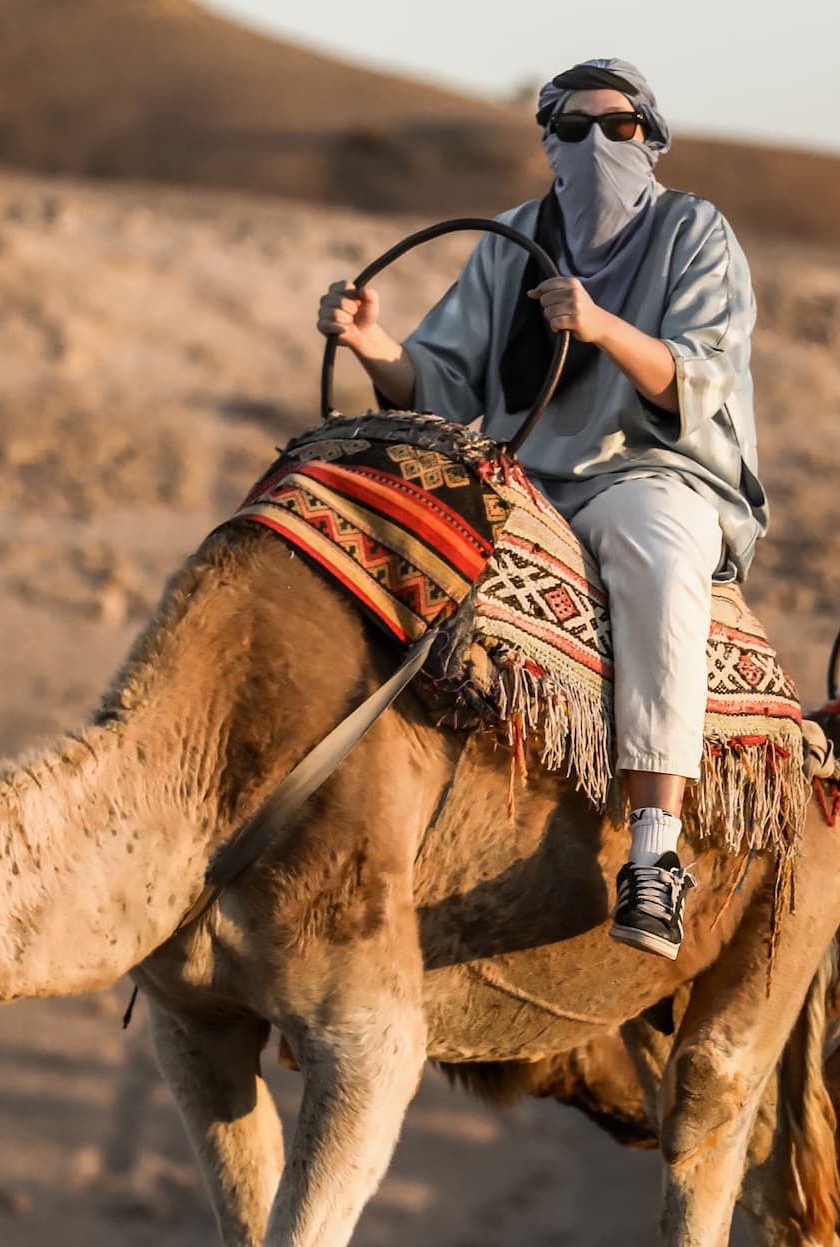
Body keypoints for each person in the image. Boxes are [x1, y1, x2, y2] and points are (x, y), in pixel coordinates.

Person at [316, 57, 763, 961]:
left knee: (656, 556)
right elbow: (442, 385)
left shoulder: (693, 230)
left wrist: (601, 326)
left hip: (654, 470)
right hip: (528, 477)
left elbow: (697, 376)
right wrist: (371, 342)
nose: (596, 144)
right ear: (548, 142)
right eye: (572, 127)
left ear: (651, 136)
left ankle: (654, 851)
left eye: (618, 126)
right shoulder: (514, 240)